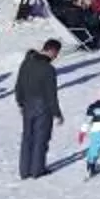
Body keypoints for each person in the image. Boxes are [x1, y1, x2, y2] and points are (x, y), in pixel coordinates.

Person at [15, 39, 65, 180]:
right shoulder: (48, 69)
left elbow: (19, 85)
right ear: (52, 51)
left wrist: (20, 102)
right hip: (43, 106)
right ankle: (37, 170)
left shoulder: (26, 63)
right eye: (57, 54)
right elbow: (51, 94)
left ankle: (24, 171)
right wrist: (57, 113)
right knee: (41, 138)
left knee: (27, 137)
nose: (56, 57)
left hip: (27, 104)